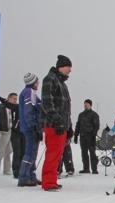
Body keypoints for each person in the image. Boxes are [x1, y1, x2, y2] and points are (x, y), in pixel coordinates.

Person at [40, 55, 73, 192]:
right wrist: (57, 121)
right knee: (53, 154)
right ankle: (48, 182)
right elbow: (47, 103)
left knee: (58, 154)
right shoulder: (50, 79)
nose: (70, 70)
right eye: (68, 67)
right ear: (61, 66)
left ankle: (52, 179)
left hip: (62, 125)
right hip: (54, 125)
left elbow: (65, 108)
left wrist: (69, 126)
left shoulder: (62, 83)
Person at [17, 73, 42, 186]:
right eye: (37, 81)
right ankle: (23, 177)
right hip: (30, 128)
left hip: (31, 127)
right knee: (30, 152)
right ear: (33, 82)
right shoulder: (28, 92)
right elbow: (28, 111)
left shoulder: (30, 92)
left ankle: (31, 176)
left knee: (33, 152)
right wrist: (33, 126)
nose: (38, 83)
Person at [74, 99, 100, 174]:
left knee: (92, 153)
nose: (85, 105)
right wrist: (76, 135)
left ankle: (94, 169)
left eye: (87, 104)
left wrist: (93, 135)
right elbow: (78, 125)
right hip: (82, 136)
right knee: (84, 153)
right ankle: (86, 169)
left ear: (90, 105)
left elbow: (96, 126)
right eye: (84, 104)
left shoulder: (94, 114)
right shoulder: (81, 115)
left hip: (91, 137)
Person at [0, 93, 17, 176]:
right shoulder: (1, 107)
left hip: (11, 131)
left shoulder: (13, 108)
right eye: (14, 99)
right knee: (1, 151)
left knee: (8, 151)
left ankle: (7, 170)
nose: (15, 100)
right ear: (9, 98)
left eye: (16, 99)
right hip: (3, 131)